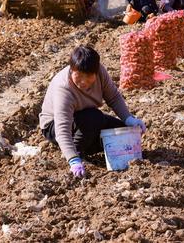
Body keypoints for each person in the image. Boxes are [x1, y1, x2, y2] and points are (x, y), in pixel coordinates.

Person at [40, 46, 147, 177]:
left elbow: (113, 97)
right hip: (54, 125)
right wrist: (73, 159)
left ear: (95, 72)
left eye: (89, 76)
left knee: (121, 132)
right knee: (93, 117)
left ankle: (88, 144)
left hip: (85, 118)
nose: (84, 81)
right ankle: (77, 151)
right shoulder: (63, 89)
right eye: (79, 75)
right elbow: (62, 129)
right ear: (72, 69)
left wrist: (129, 119)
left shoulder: (100, 72)